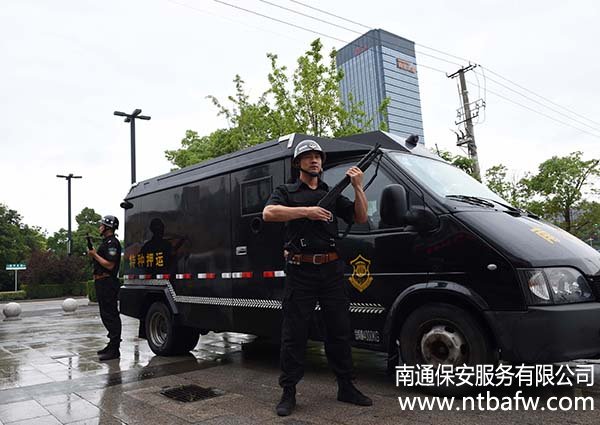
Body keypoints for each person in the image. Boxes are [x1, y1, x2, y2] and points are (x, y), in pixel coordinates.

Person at [263, 139, 372, 416]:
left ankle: (346, 386)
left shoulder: (331, 193)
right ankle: (289, 391)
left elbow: (360, 217)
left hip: (331, 269)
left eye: (318, 157)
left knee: (339, 330)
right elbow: (269, 213)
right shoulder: (286, 191)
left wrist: (358, 186)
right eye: (309, 156)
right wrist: (307, 212)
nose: (315, 161)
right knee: (294, 333)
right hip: (301, 271)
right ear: (298, 163)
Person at [87, 215, 122, 361]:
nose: (99, 227)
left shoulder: (112, 243)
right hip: (102, 282)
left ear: (108, 227)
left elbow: (110, 265)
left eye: (101, 225)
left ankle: (114, 349)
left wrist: (94, 254)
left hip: (108, 282)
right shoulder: (106, 242)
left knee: (110, 315)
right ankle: (111, 345)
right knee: (106, 314)